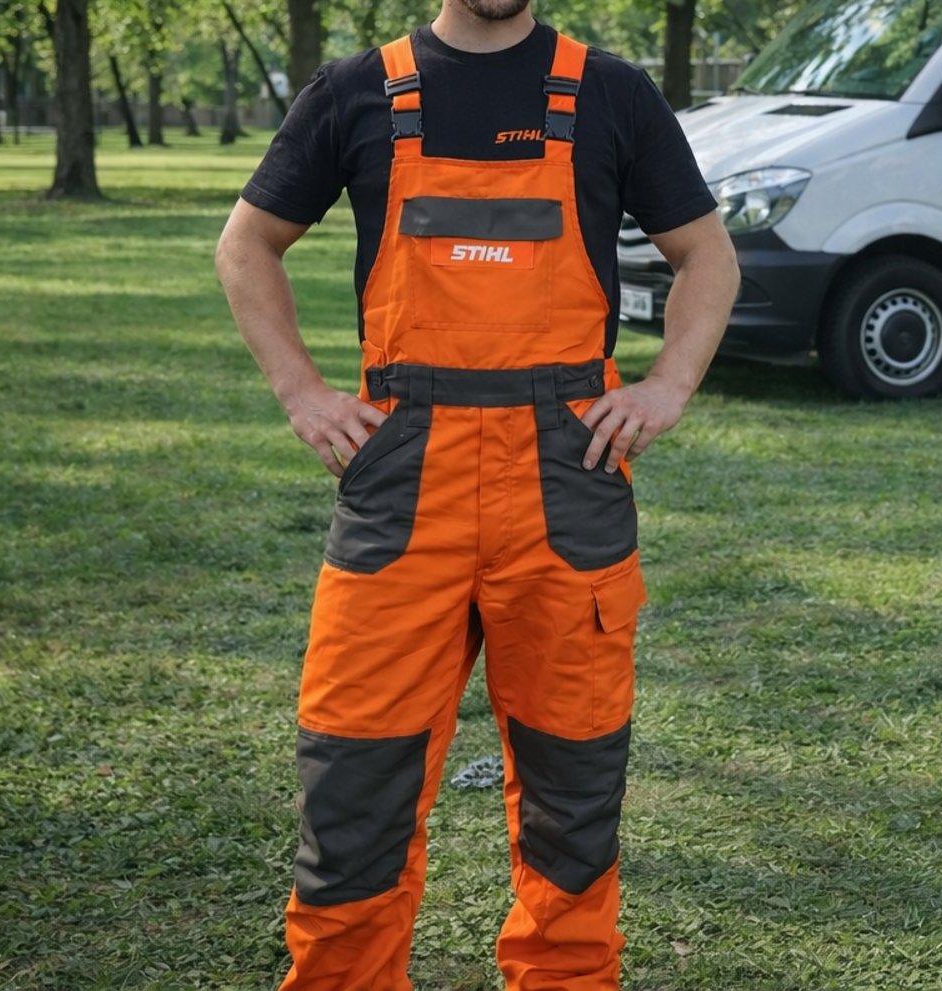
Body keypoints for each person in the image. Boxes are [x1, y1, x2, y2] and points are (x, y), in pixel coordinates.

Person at [213, 0, 738, 986]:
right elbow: (246, 246)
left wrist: (668, 384)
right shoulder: (358, 90)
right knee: (354, 779)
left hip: (565, 475)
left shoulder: (613, 93)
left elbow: (707, 254)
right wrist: (301, 391)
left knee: (572, 785)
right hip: (403, 474)